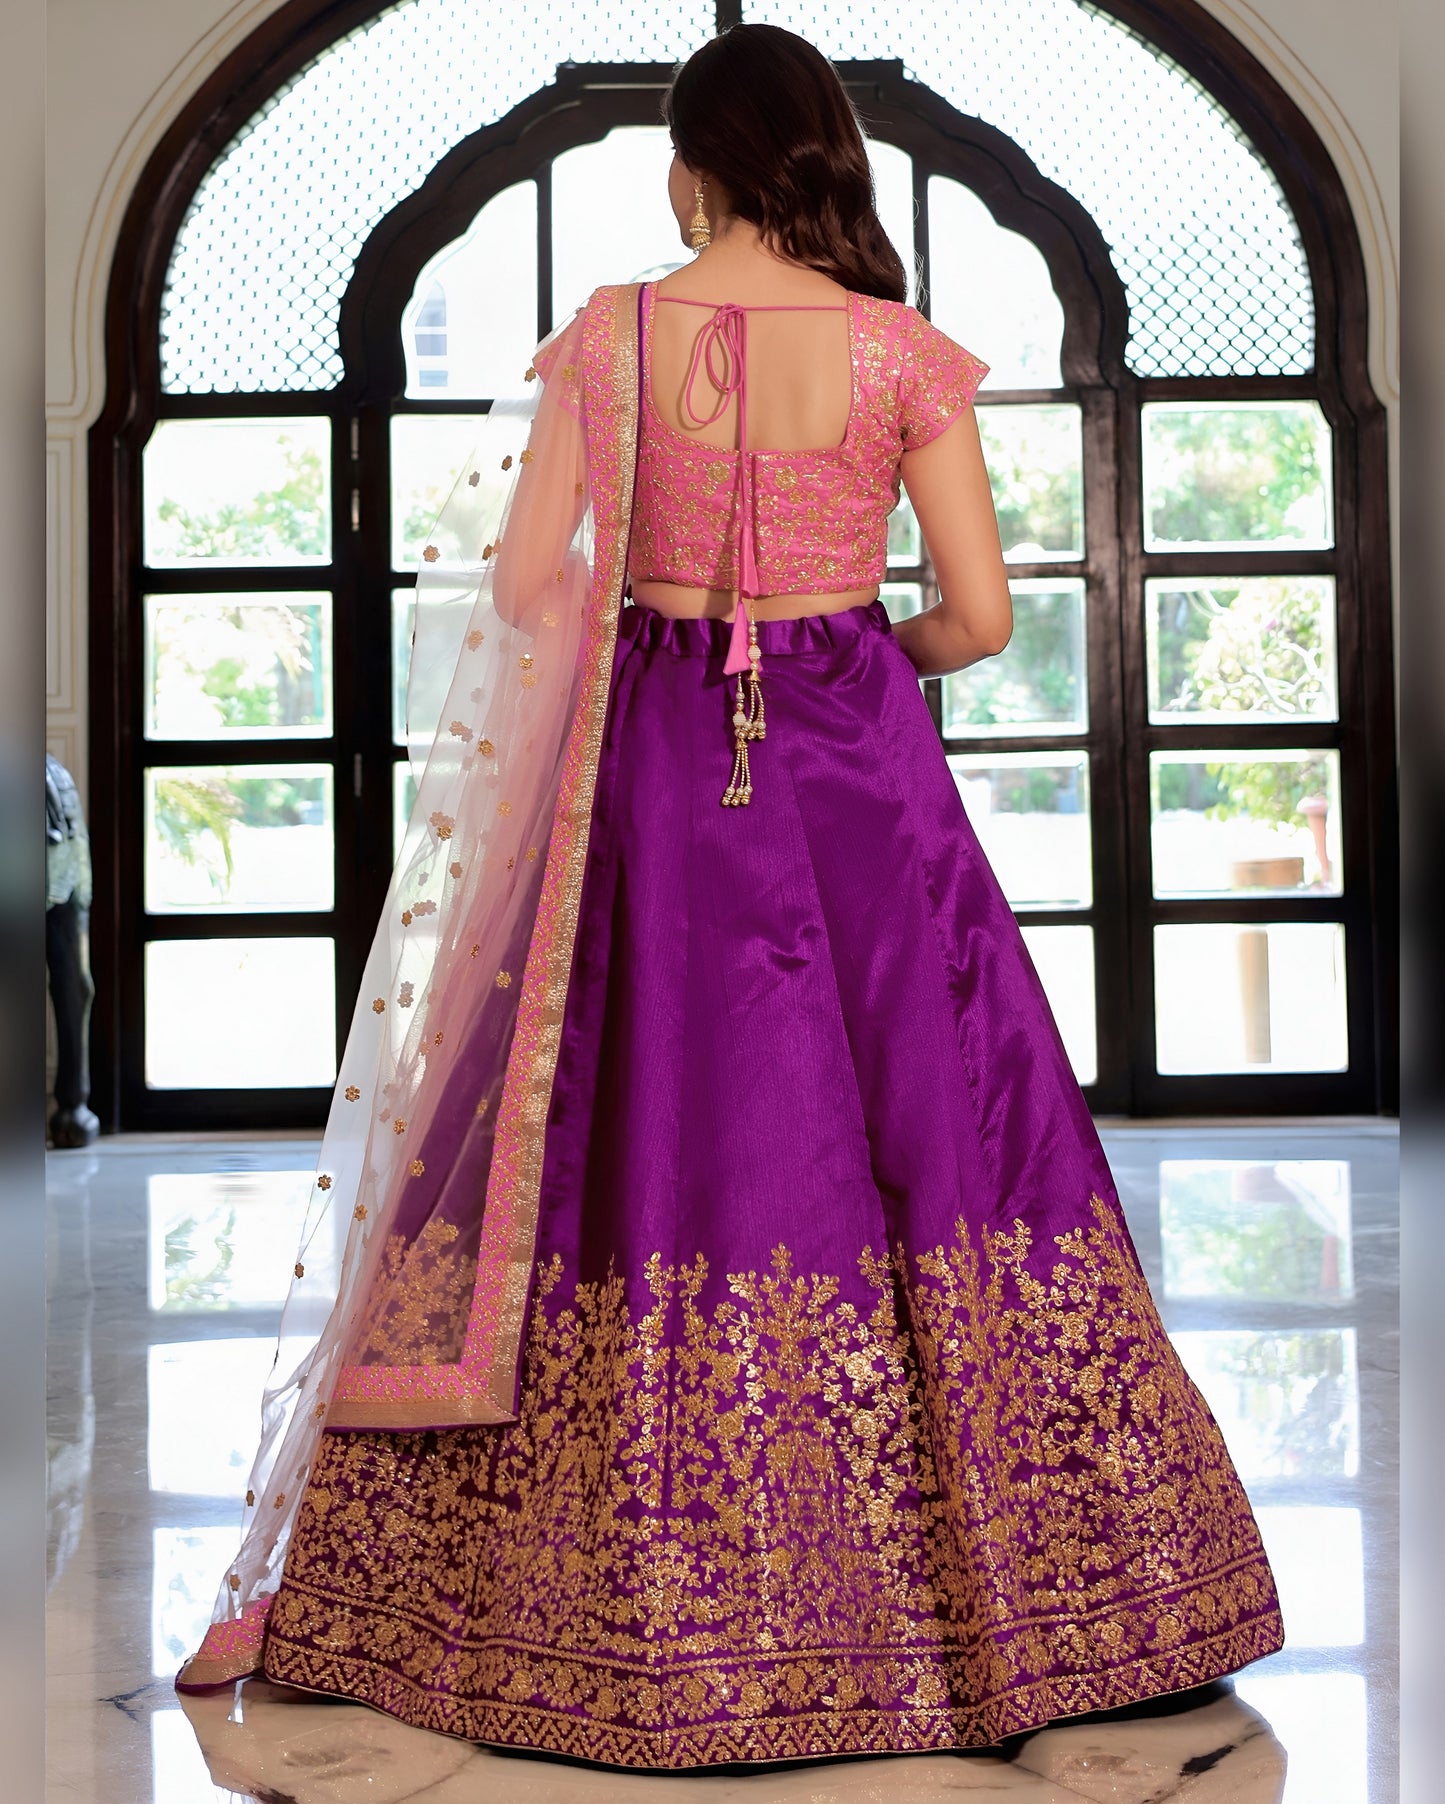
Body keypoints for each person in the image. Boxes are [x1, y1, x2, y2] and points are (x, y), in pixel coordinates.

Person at [178, 22, 1284, 1769]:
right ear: (822, 156)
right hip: (855, 776)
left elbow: (532, 583)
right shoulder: (900, 353)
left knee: (635, 1124)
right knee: (933, 1126)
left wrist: (649, 650)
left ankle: (551, 1599)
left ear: (685, 166)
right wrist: (855, 657)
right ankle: (1039, 1605)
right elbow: (981, 623)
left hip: (656, 773)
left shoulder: (609, 341)